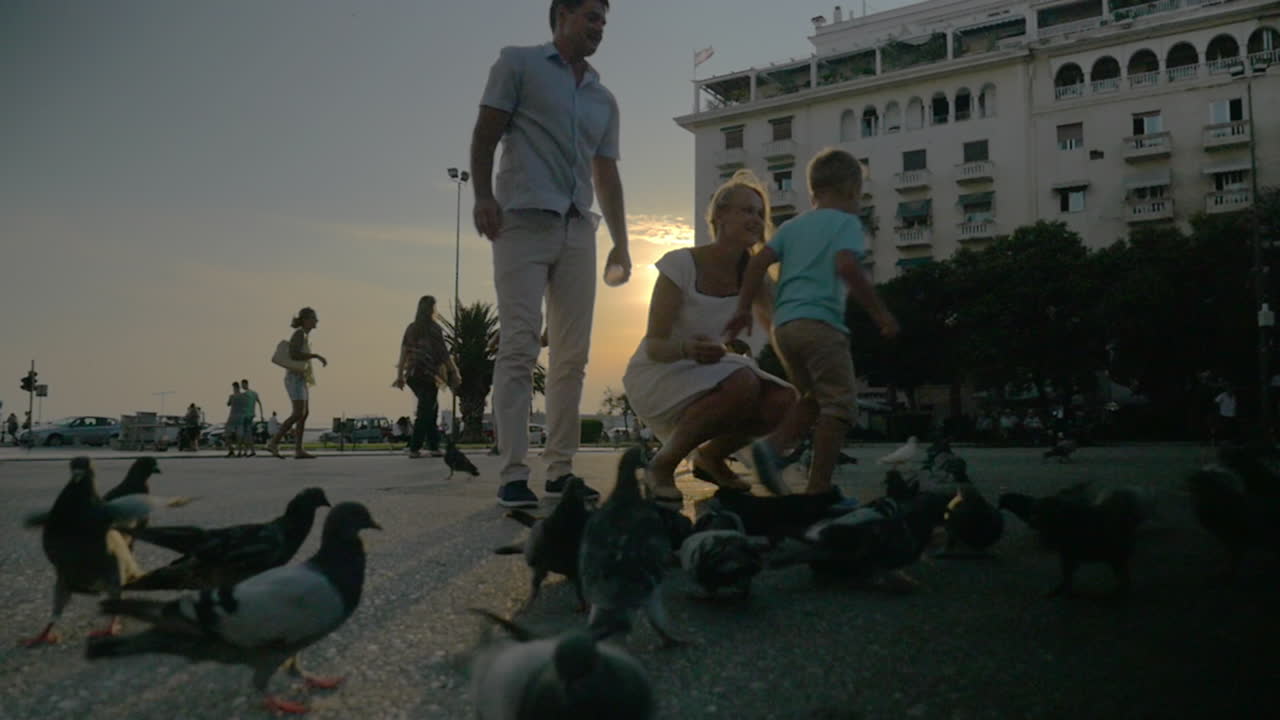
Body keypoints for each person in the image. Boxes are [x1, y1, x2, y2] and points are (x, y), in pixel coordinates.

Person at [471, 0, 630, 509]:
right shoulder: (517, 64)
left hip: (579, 229)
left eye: (604, 19)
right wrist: (481, 195)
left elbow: (606, 173)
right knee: (519, 345)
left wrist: (622, 243)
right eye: (591, 15)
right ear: (561, 14)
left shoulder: (604, 98)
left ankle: (560, 469)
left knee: (572, 355)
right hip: (521, 221)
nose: (600, 26)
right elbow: (487, 131)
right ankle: (514, 473)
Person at [726, 148, 899, 499]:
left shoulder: (793, 226)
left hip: (785, 328)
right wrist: (880, 313)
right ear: (852, 191)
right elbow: (848, 266)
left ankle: (770, 451)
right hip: (821, 325)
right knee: (840, 406)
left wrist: (744, 308)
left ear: (812, 191)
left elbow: (758, 264)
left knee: (812, 399)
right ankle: (815, 486)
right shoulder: (847, 223)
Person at [622, 170, 797, 508]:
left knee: (783, 399)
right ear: (720, 215)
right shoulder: (679, 264)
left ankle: (711, 459)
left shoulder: (756, 277)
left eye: (760, 214)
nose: (756, 219)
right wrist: (688, 348)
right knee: (743, 380)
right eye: (746, 210)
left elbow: (784, 325)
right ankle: (662, 465)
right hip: (660, 370)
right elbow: (655, 345)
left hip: (713, 370)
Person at [393, 295, 461, 459]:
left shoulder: (411, 328)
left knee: (431, 408)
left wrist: (400, 376)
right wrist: (455, 372)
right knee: (426, 410)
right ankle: (415, 447)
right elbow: (444, 354)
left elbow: (403, 353)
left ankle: (434, 446)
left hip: (412, 375)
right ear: (432, 309)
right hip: (427, 375)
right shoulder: (434, 329)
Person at [268, 307, 327, 459]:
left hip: (301, 378)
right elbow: (294, 354)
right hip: (294, 378)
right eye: (314, 318)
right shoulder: (299, 333)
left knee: (304, 413)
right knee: (298, 413)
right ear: (306, 319)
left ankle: (298, 450)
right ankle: (274, 442)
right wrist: (315, 355)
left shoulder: (304, 335)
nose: (316, 321)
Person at [239, 378, 263, 457]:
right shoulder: (254, 393)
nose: (242, 386)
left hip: (246, 416)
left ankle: (251, 451)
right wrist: (261, 415)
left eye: (242, 385)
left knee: (247, 434)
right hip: (251, 415)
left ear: (245, 384)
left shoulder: (245, 394)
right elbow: (260, 403)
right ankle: (247, 451)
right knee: (247, 434)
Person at [224, 381, 246, 457]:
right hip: (241, 417)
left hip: (232, 417)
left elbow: (228, 404)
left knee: (227, 434)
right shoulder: (244, 396)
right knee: (239, 435)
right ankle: (239, 452)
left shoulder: (232, 396)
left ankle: (231, 450)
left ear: (234, 387)